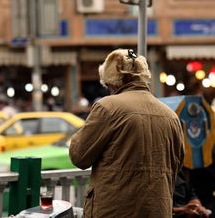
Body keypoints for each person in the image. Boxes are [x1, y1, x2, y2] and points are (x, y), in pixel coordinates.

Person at [69, 49, 185, 217]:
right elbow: (177, 162)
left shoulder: (107, 107)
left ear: (114, 82)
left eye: (108, 85)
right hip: (157, 211)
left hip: (114, 211)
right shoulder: (170, 115)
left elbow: (78, 156)